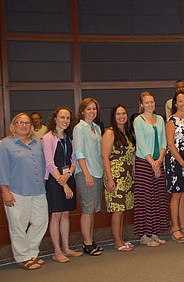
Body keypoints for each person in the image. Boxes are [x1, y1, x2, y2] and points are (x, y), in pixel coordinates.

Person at [0, 113, 48, 270]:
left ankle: (32, 252)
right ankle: (22, 257)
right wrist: (5, 191)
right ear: (13, 126)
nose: (24, 125)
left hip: (38, 190)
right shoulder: (6, 145)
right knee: (18, 225)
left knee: (41, 222)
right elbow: (0, 169)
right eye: (20, 122)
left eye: (27, 123)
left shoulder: (38, 142)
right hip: (17, 191)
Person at [42, 107, 82, 263]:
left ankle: (66, 248)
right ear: (55, 119)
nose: (65, 121)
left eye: (67, 118)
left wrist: (69, 175)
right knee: (57, 215)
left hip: (68, 177)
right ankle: (56, 251)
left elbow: (73, 160)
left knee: (66, 214)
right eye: (62, 117)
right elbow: (49, 163)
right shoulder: (48, 138)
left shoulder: (69, 137)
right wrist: (63, 183)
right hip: (55, 180)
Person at [133, 91, 169, 247]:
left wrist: (159, 160)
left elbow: (163, 142)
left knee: (158, 198)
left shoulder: (160, 119)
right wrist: (152, 163)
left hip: (158, 162)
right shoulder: (138, 120)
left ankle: (154, 232)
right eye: (147, 102)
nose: (150, 105)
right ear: (141, 104)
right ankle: (144, 235)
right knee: (146, 199)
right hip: (144, 163)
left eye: (152, 102)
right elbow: (141, 143)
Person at [73, 98, 105, 256]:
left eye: (94, 109)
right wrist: (86, 174)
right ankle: (86, 243)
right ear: (82, 111)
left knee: (93, 209)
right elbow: (79, 152)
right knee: (87, 209)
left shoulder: (97, 128)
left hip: (98, 172)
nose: (92, 112)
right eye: (89, 109)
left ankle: (91, 240)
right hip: (86, 173)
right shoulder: (79, 128)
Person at [101, 104, 135, 252]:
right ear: (113, 117)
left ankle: (120, 238)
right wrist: (109, 178)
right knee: (117, 209)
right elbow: (104, 157)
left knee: (122, 209)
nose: (121, 116)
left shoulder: (125, 132)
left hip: (126, 176)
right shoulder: (110, 133)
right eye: (118, 114)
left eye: (123, 113)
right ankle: (117, 241)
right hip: (115, 175)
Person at [166, 92, 184, 243]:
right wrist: (182, 162)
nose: (183, 103)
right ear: (175, 103)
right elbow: (170, 145)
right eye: (180, 101)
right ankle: (175, 227)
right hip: (175, 160)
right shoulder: (171, 121)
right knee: (176, 194)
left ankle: (183, 225)